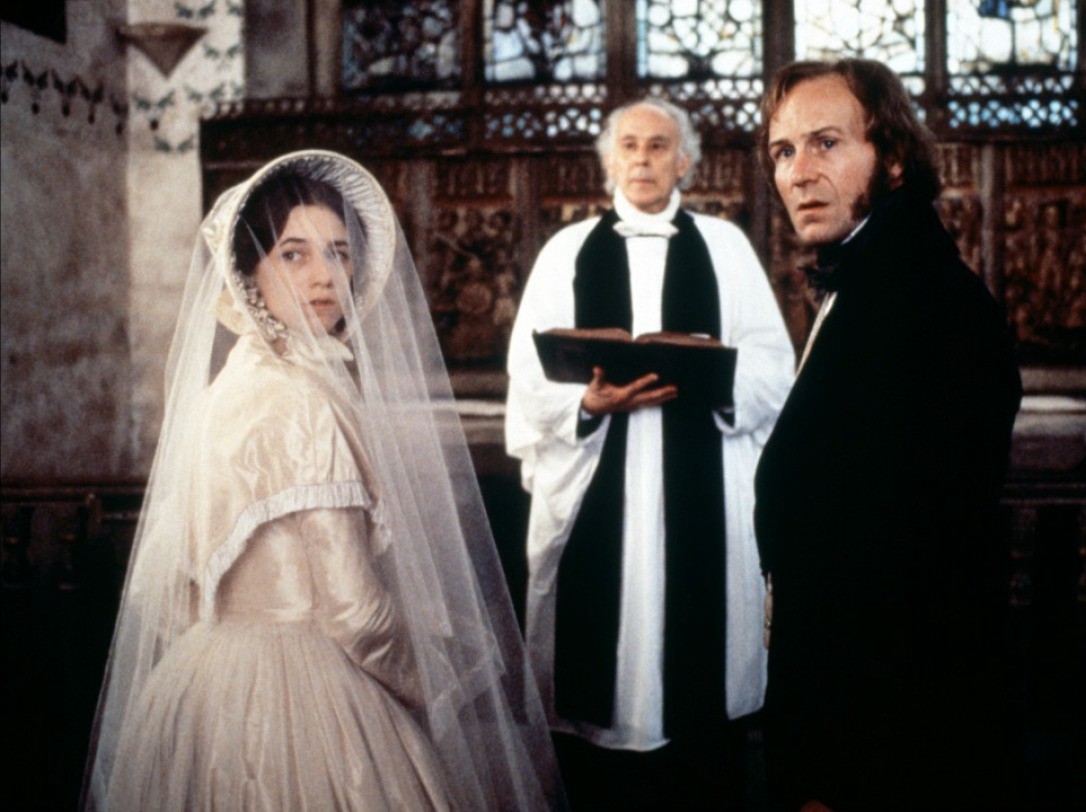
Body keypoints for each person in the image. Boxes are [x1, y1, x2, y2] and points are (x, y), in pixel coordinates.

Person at [82, 150, 563, 811]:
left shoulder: (232, 383)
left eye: (338, 252)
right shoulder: (301, 397)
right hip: (310, 696)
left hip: (204, 685)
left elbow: (164, 591)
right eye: (293, 254)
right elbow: (356, 613)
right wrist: (433, 686)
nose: (324, 275)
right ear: (248, 271)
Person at [505, 97, 794, 809]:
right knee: (598, 684)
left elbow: (772, 365)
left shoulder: (725, 248)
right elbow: (528, 374)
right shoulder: (567, 252)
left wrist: (709, 379)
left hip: (701, 482)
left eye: (659, 145)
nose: (642, 158)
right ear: (609, 160)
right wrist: (586, 403)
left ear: (685, 161)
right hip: (598, 481)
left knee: (698, 713)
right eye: (629, 145)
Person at [753, 59, 1023, 811]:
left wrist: (830, 776)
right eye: (783, 151)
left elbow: (913, 575)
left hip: (881, 747)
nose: (799, 173)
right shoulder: (876, 280)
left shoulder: (924, 304)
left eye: (826, 142)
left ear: (895, 157)